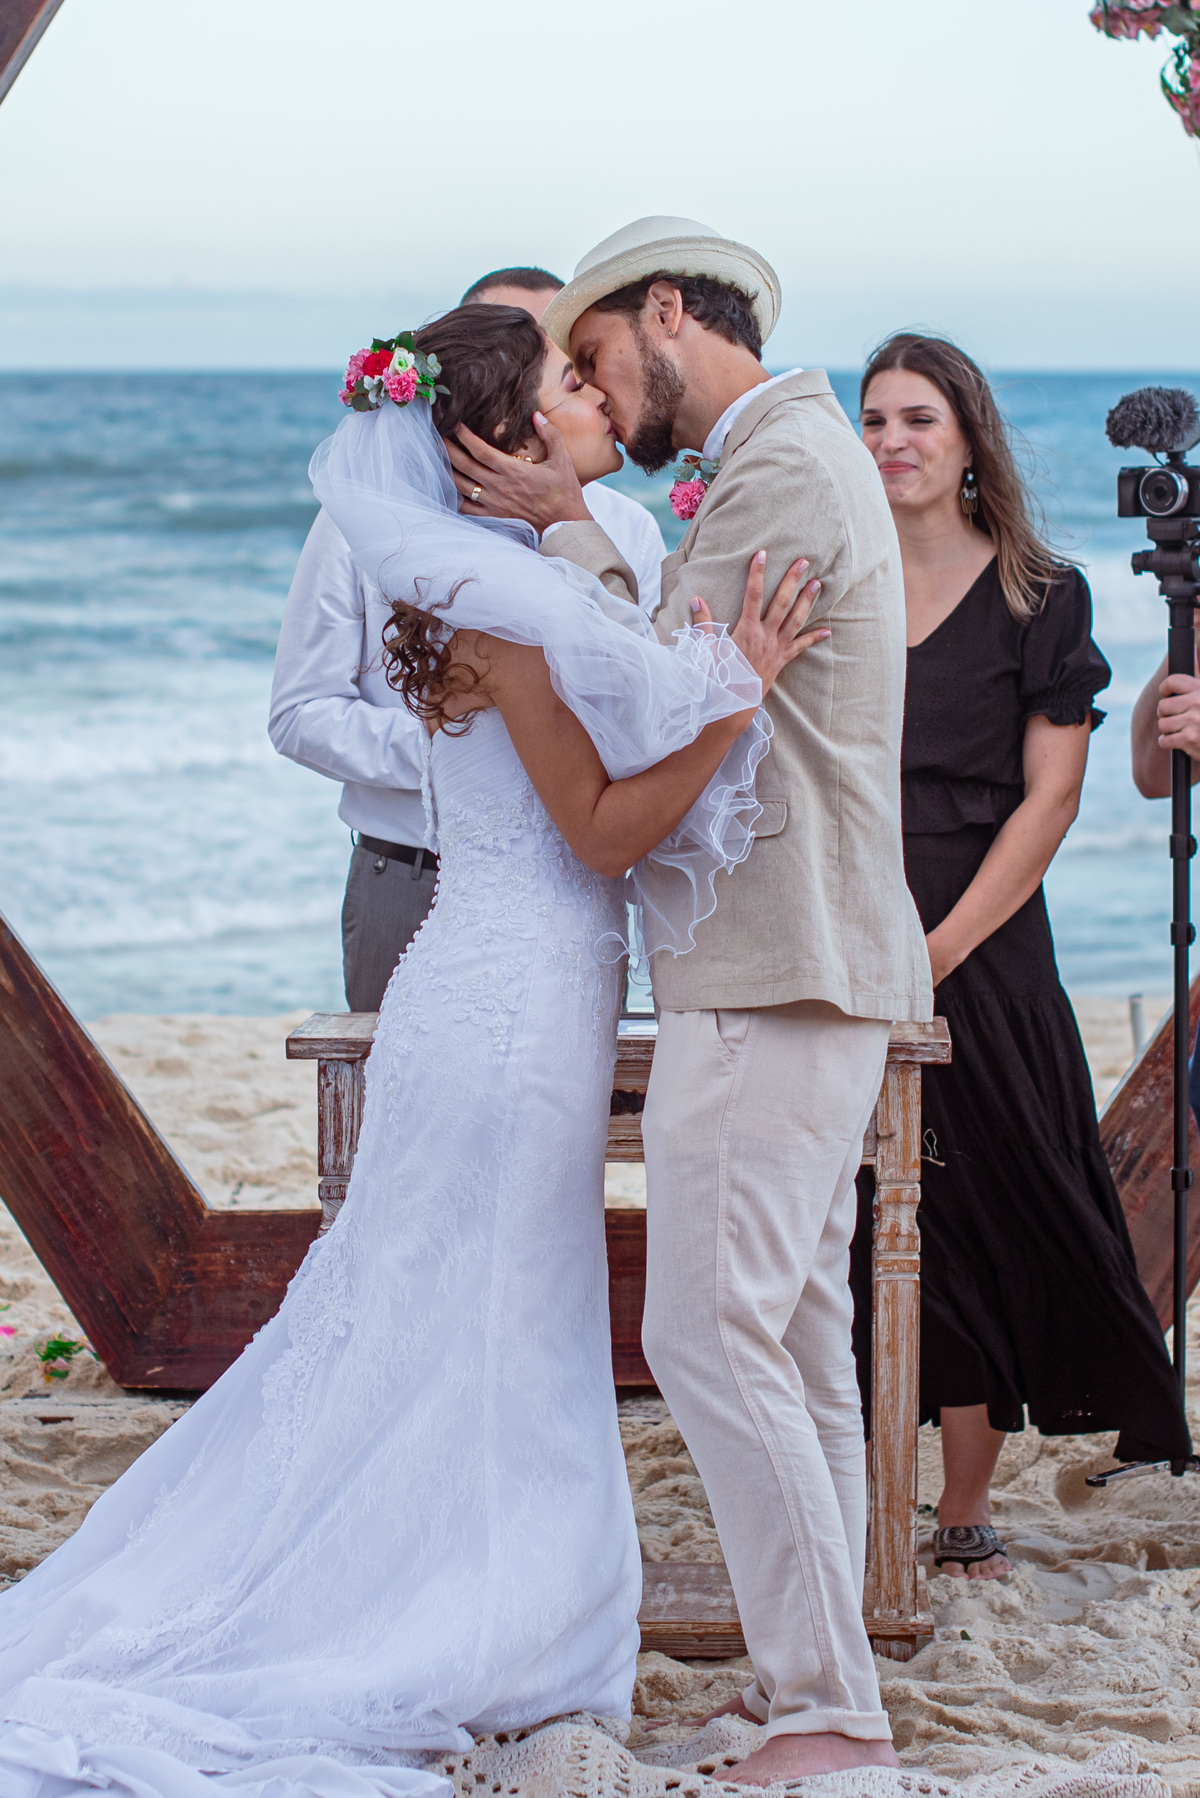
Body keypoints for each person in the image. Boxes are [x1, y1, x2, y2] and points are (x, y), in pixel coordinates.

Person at [0, 304, 824, 1798]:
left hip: (498, 996)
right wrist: (738, 696)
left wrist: (663, 634)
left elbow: (613, 693)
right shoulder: (508, 611)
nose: (595, 395)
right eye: (569, 386)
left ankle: (501, 1615)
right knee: (507, 1324)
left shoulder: (514, 585)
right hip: (507, 1017)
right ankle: (503, 1637)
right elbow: (607, 827)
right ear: (498, 443)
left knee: (478, 1322)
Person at [446, 216, 932, 1786]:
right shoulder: (781, 449)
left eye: (594, 364)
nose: (598, 393)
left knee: (707, 1325)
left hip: (782, 953)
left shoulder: (784, 459)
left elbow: (664, 675)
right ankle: (819, 1680)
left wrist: (569, 515)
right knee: (786, 1334)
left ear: (670, 312)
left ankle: (831, 1712)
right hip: (797, 948)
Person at [852, 331, 1191, 1583]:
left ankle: (965, 1503)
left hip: (982, 939)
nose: (892, 441)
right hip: (846, 922)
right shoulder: (837, 580)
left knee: (989, 1204)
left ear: (969, 438)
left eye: (918, 419)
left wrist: (933, 951)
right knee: (864, 1216)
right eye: (874, 419)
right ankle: (861, 1480)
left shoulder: (1041, 592)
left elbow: (1050, 802)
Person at [269, 264, 666, 1014]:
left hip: (570, 886)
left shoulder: (626, 531)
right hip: (407, 874)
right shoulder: (364, 529)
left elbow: (638, 708)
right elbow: (298, 714)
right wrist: (473, 758)